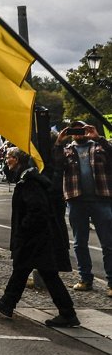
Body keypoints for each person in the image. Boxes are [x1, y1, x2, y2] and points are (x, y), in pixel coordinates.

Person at [0, 147, 80, 327]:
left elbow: (37, 209)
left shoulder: (29, 182)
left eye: (9, 157)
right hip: (38, 237)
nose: (6, 160)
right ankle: (8, 302)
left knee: (46, 274)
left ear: (18, 160)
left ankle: (68, 313)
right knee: (24, 269)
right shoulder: (27, 178)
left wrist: (23, 229)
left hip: (36, 238)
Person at [56, 120, 112, 295]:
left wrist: (99, 138)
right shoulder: (66, 150)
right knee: (80, 243)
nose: (78, 133)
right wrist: (59, 142)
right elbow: (55, 166)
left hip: (101, 199)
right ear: (71, 132)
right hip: (76, 200)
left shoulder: (100, 147)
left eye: (82, 129)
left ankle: (111, 282)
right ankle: (85, 279)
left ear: (88, 130)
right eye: (75, 130)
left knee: (108, 243)